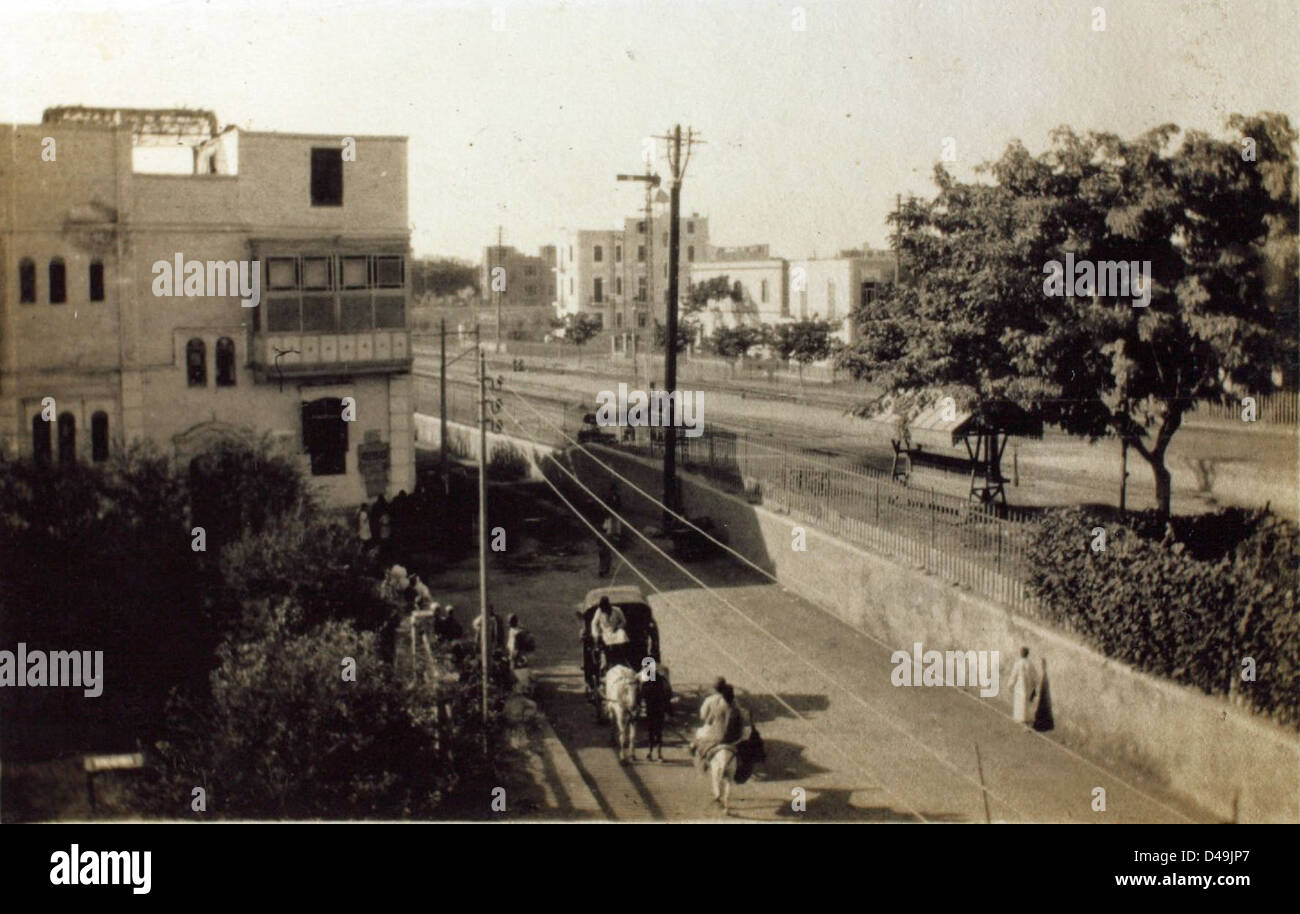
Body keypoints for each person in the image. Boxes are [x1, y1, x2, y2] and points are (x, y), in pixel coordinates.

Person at [639, 665, 672, 762]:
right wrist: (669, 712)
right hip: (659, 710)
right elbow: (668, 697)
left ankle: (650, 753)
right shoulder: (662, 681)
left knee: (651, 731)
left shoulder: (646, 684)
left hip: (651, 711)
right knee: (658, 732)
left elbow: (641, 695)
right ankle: (658, 754)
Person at [590, 596, 629, 671]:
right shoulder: (599, 612)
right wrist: (596, 634)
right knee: (605, 643)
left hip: (616, 630)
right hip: (606, 632)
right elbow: (594, 624)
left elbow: (623, 621)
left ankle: (622, 656)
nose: (604, 610)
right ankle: (607, 661)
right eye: (603, 608)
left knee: (622, 634)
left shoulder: (617, 610)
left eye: (606, 607)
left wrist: (618, 627)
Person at [1006, 646, 1040, 726]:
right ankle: (1025, 718)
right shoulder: (1030, 664)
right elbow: (1035, 677)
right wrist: (1035, 686)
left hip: (1020, 686)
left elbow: (1013, 675)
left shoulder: (1018, 663)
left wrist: (1010, 685)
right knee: (1026, 701)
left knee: (1020, 701)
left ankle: (1020, 718)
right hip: (1028, 686)